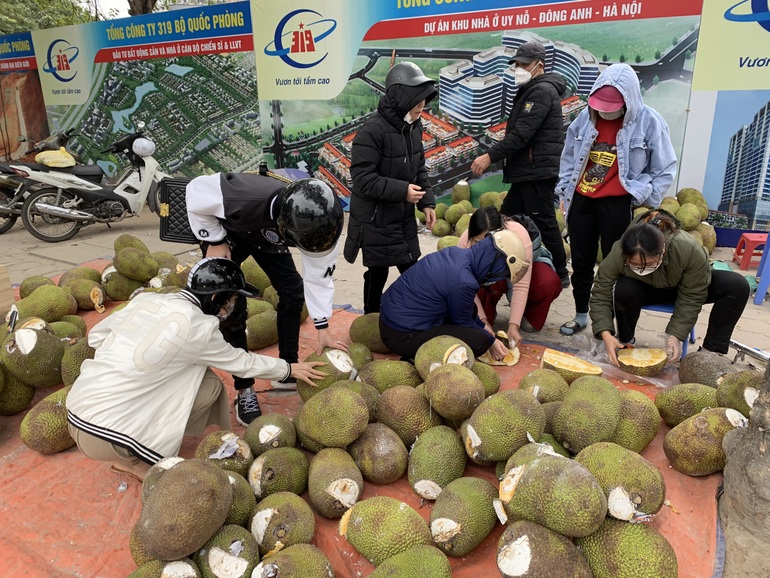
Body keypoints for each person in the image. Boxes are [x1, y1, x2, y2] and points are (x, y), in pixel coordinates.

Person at [66, 258, 326, 481]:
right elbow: (243, 363)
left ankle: (132, 445)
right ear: (215, 298)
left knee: (194, 377)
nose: (232, 306)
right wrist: (290, 369)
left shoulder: (145, 300)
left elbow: (96, 338)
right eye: (232, 299)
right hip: (107, 438)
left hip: (75, 413)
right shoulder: (199, 327)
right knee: (208, 384)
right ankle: (137, 460)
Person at [185, 173, 345, 425]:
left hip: (268, 238)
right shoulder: (242, 195)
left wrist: (322, 326)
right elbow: (195, 191)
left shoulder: (323, 227)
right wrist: (214, 239)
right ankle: (244, 388)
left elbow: (319, 278)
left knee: (293, 291)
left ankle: (287, 367)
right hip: (230, 231)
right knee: (229, 303)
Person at [557, 63, 677, 336]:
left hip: (617, 202)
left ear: (629, 100)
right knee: (581, 261)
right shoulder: (585, 118)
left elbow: (665, 167)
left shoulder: (649, 121)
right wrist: (565, 190)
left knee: (615, 265)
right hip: (582, 200)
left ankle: (613, 324)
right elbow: (568, 156)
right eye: (601, 107)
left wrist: (644, 195)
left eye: (612, 108)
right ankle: (581, 315)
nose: (605, 113)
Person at [590, 210, 750, 367]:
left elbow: (692, 295)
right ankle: (625, 342)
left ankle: (708, 356)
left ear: (663, 250)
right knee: (623, 287)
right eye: (635, 265)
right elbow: (601, 291)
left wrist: (676, 335)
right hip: (645, 289)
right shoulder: (619, 250)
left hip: (684, 286)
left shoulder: (688, 248)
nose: (642, 268)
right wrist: (605, 332)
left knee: (737, 285)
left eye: (649, 264)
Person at [470, 40, 569, 288]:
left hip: (536, 172)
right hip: (528, 172)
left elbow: (522, 135)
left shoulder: (542, 92)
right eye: (516, 64)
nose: (519, 68)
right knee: (505, 217)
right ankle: (499, 260)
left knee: (545, 223)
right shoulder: (533, 90)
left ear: (539, 65)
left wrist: (489, 156)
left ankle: (561, 273)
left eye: (524, 64)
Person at [344, 61, 438, 314]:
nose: (422, 106)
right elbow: (362, 179)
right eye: (418, 100)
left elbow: (419, 168)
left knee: (412, 268)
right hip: (375, 218)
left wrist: (427, 202)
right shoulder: (372, 131)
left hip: (401, 215)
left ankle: (415, 314)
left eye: (424, 101)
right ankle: (371, 319)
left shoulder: (413, 128)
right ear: (401, 97)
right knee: (377, 273)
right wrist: (403, 191)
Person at [379, 229, 529, 362]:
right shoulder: (464, 282)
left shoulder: (457, 253)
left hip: (391, 319)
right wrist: (490, 341)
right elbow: (462, 322)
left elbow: (463, 310)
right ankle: (419, 356)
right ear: (496, 265)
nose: (496, 281)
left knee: (472, 310)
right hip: (403, 336)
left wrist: (482, 324)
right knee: (479, 341)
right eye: (501, 275)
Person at [457, 207, 562, 344]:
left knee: (547, 280)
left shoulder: (518, 234)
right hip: (488, 281)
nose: (482, 247)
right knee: (476, 319)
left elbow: (521, 285)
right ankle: (488, 312)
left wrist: (514, 325)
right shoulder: (465, 242)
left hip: (513, 272)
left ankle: (529, 316)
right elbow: (466, 288)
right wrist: (483, 321)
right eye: (477, 242)